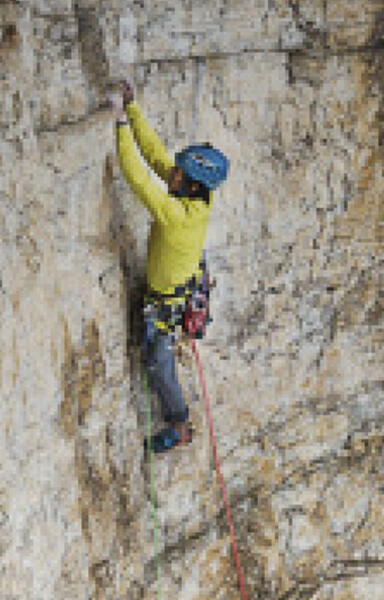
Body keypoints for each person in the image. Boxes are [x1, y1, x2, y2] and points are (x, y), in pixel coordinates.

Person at [108, 80, 229, 453]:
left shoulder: (177, 214)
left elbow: (137, 176)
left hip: (167, 301)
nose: (171, 173)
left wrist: (118, 121)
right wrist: (132, 108)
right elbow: (157, 156)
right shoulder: (193, 196)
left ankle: (180, 425)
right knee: (157, 359)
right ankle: (178, 422)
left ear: (191, 186)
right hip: (181, 284)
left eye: (179, 173)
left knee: (159, 364)